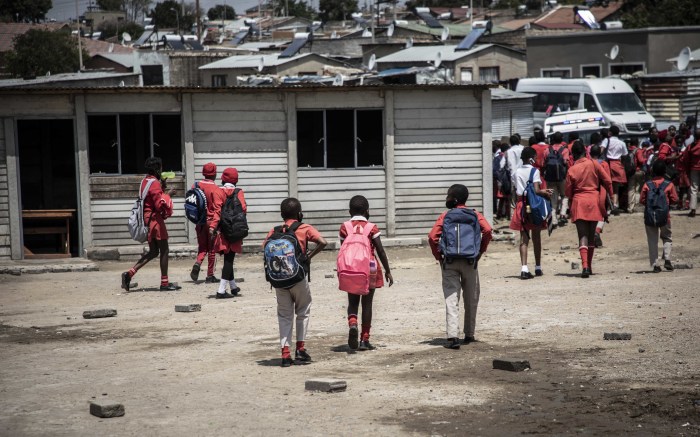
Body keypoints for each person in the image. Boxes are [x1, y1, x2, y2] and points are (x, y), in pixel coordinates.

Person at [428, 184, 492, 349]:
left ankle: (453, 336)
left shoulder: (445, 215)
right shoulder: (475, 214)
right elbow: (488, 231)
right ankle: (469, 334)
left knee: (451, 298)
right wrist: (479, 251)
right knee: (471, 298)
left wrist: (439, 256)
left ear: (453, 199)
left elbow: (432, 237)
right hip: (471, 261)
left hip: (449, 262)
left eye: (448, 195)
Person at [265, 198, 327, 367]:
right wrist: (308, 256)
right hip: (298, 278)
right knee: (303, 310)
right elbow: (323, 242)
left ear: (281, 215)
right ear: (300, 214)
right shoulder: (304, 227)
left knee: (284, 315)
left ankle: (285, 354)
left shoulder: (274, 230)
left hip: (279, 280)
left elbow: (264, 248)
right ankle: (300, 349)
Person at [339, 195, 393, 351]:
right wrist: (388, 271)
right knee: (367, 304)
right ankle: (364, 339)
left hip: (351, 268)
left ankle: (353, 324)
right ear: (367, 211)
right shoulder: (372, 227)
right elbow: (381, 251)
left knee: (353, 302)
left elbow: (344, 249)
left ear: (350, 211)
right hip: (370, 268)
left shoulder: (344, 227)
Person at [121, 157, 180, 291]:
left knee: (154, 251)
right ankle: (164, 283)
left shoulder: (145, 181)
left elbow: (152, 198)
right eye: (160, 168)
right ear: (157, 169)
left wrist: (162, 187)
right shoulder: (154, 183)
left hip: (147, 219)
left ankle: (129, 274)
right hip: (155, 220)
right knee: (164, 250)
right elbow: (159, 204)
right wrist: (169, 194)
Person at [565, 142, 612, 278]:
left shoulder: (572, 170)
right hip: (594, 201)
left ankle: (585, 266)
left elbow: (568, 192)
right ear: (585, 152)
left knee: (582, 236)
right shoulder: (594, 164)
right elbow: (608, 180)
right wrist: (610, 195)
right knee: (591, 237)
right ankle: (589, 266)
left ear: (573, 155)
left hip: (579, 203)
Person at [509, 147, 552, 279]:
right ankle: (538, 267)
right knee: (536, 237)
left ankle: (524, 268)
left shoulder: (516, 173)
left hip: (522, 205)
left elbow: (515, 191)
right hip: (534, 206)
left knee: (524, 238)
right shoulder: (535, 171)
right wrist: (546, 192)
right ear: (531, 158)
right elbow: (537, 190)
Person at [210, 168, 246, 298]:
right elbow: (244, 209)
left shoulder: (218, 191)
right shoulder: (239, 192)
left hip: (223, 231)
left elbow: (217, 211)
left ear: (223, 179)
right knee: (229, 260)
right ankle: (221, 291)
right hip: (235, 230)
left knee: (228, 258)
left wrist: (213, 227)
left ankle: (233, 287)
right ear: (236, 180)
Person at [640, 160, 678, 272]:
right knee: (667, 237)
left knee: (652, 240)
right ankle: (667, 259)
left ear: (653, 171)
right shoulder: (669, 184)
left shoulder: (647, 184)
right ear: (665, 171)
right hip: (665, 216)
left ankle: (655, 265)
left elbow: (642, 200)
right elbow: (675, 199)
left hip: (650, 216)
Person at [190, 162, 220, 283]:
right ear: (214, 174)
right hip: (211, 222)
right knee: (212, 249)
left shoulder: (195, 185)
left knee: (202, 248)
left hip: (199, 222)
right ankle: (210, 275)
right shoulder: (216, 189)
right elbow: (218, 209)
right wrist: (214, 226)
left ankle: (198, 263)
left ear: (203, 173)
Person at [546, 131, 570, 225]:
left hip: (550, 178)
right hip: (561, 177)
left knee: (553, 198)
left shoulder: (548, 150)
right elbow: (565, 162)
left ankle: (554, 219)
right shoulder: (565, 150)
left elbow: (545, 162)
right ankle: (563, 213)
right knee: (564, 195)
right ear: (561, 139)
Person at [605, 125, 628, 211]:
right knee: (616, 187)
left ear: (610, 132)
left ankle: (608, 204)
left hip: (607, 164)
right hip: (617, 164)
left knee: (607, 185)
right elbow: (625, 155)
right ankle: (614, 204)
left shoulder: (606, 141)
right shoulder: (622, 143)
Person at [627, 138, 646, 213]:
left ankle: (630, 207)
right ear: (637, 143)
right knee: (638, 189)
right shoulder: (638, 150)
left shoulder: (628, 150)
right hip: (638, 171)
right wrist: (645, 159)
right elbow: (641, 160)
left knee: (631, 189)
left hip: (630, 171)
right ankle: (636, 206)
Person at [683, 129, 700, 217]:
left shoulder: (690, 146)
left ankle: (693, 209)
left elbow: (686, 159)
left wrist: (687, 169)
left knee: (694, 189)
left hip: (694, 169)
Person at [505, 135, 524, 210]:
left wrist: (513, 181)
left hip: (515, 177)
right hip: (524, 175)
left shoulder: (510, 151)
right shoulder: (523, 148)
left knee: (514, 199)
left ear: (510, 142)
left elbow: (511, 166)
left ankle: (515, 216)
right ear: (519, 141)